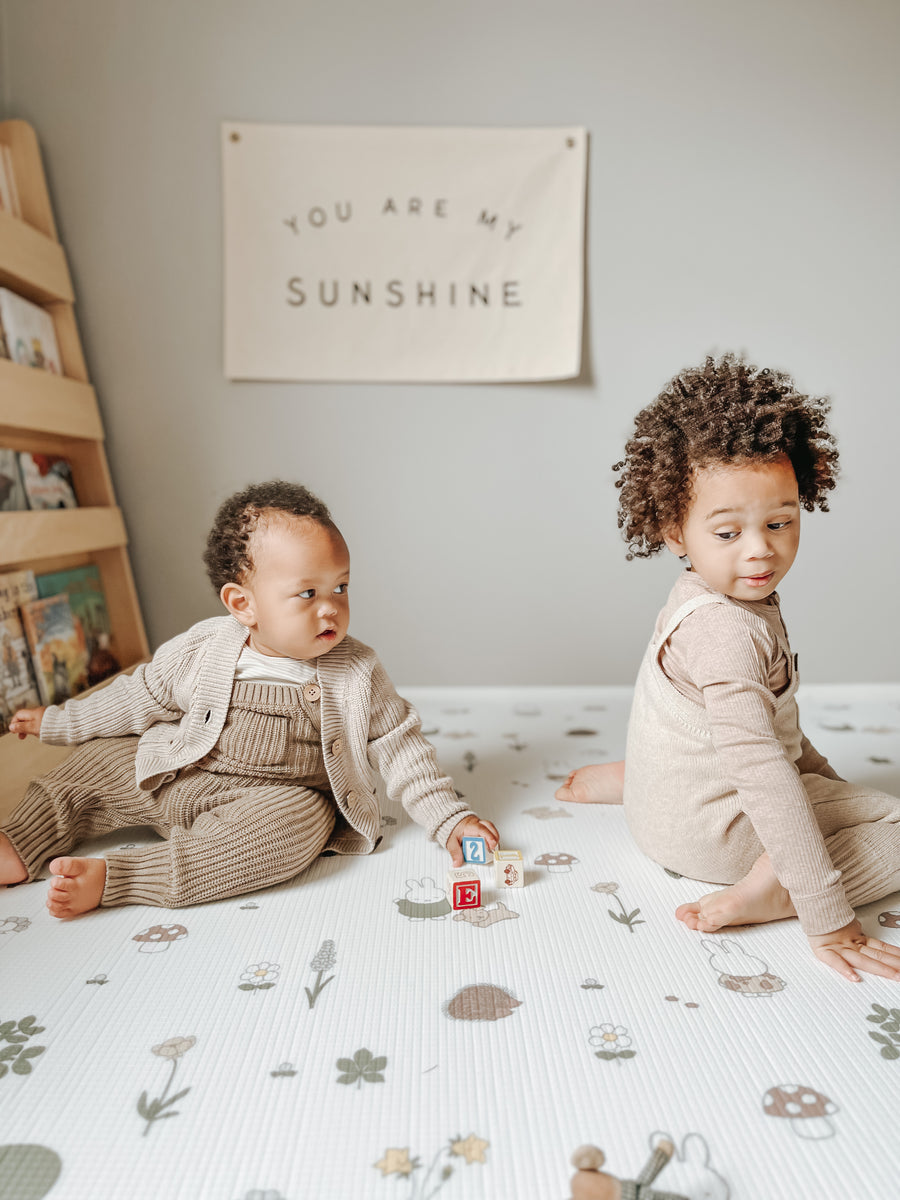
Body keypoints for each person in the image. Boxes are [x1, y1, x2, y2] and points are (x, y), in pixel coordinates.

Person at [0, 481, 498, 917]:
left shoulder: (356, 670)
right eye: (308, 594)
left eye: (341, 587)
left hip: (274, 799)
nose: (331, 610)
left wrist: (451, 818)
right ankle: (20, 841)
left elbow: (403, 750)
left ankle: (121, 878)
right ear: (243, 604)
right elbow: (137, 696)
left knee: (291, 833)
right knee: (96, 764)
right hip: (178, 770)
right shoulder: (204, 647)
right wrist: (60, 721)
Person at [557, 354, 900, 983]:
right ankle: (776, 890)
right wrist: (826, 913)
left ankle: (647, 778)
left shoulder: (703, 596)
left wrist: (825, 778)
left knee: (811, 784)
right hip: (718, 838)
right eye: (728, 532)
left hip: (664, 812)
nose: (760, 549)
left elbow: (774, 732)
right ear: (672, 528)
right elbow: (765, 771)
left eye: (779, 522)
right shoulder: (727, 634)